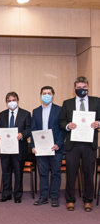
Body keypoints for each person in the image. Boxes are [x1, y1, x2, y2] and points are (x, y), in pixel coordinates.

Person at [59, 76, 100, 212]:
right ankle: (70, 200)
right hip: (73, 143)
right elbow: (61, 121)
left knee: (88, 172)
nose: (81, 90)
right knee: (71, 173)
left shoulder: (96, 101)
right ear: (74, 89)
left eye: (84, 88)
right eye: (79, 88)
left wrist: (98, 123)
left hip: (89, 144)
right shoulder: (67, 103)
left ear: (88, 87)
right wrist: (68, 125)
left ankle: (88, 201)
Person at [31, 86, 65, 207]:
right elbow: (33, 130)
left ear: (53, 95)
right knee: (43, 173)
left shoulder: (60, 110)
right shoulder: (35, 111)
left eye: (49, 93)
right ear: (40, 96)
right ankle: (43, 197)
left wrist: (59, 144)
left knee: (56, 173)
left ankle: (55, 197)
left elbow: (62, 130)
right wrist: (33, 146)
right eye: (44, 93)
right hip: (41, 148)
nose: (46, 95)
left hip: (56, 147)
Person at [0, 91, 31, 203]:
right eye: (9, 101)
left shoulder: (25, 114)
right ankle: (6, 194)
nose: (12, 102)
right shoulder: (2, 114)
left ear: (18, 101)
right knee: (6, 172)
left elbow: (29, 129)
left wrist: (22, 134)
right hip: (6, 149)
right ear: (6, 102)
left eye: (14, 100)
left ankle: (17, 195)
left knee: (18, 172)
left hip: (19, 149)